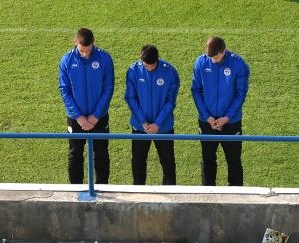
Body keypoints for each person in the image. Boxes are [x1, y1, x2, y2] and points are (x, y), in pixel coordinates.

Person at [191, 36, 250, 186]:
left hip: (231, 123)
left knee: (234, 161)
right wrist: (207, 117)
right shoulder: (201, 63)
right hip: (207, 123)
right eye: (211, 58)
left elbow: (240, 94)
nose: (213, 61)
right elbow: (196, 91)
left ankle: (237, 197)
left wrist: (227, 117)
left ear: (224, 51)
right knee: (207, 160)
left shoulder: (239, 64)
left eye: (216, 57)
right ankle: (207, 194)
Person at [58, 28, 115, 184]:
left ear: (93, 42)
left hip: (99, 118)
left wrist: (96, 116)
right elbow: (65, 91)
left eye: (88, 50)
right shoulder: (66, 61)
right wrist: (79, 117)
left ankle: (102, 187)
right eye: (82, 51)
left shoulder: (105, 59)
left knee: (101, 153)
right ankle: (75, 188)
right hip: (76, 119)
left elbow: (108, 88)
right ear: (75, 42)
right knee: (75, 154)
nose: (85, 54)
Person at [124, 44, 180, 185]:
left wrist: (157, 124)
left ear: (158, 59)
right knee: (138, 161)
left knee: (168, 162)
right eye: (146, 65)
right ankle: (138, 193)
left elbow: (170, 101)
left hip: (164, 127)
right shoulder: (133, 71)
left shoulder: (170, 72)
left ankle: (169, 194)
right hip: (140, 127)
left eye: (152, 65)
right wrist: (143, 122)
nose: (149, 68)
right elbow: (131, 98)